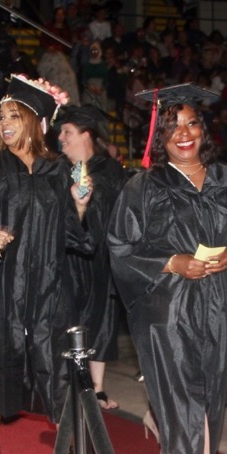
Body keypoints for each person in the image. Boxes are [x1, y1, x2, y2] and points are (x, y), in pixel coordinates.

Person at [108, 83, 227, 454]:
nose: (184, 133)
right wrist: (172, 262)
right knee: (187, 404)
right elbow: (120, 247)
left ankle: (164, 446)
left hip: (217, 308)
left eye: (192, 122)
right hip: (165, 310)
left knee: (202, 399)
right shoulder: (143, 187)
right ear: (160, 136)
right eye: (174, 126)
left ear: (204, 129)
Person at [0, 75, 91, 454]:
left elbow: (72, 233)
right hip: (0, 282)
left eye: (13, 115)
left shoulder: (56, 171)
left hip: (49, 283)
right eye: (1, 116)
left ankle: (68, 451)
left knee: (57, 366)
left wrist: (80, 207)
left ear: (34, 120)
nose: (4, 122)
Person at [56, 105, 125, 410]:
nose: (61, 138)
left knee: (102, 318)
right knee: (72, 319)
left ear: (87, 135)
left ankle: (96, 387)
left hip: (100, 257)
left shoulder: (108, 169)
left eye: (67, 132)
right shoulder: (57, 168)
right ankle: (70, 382)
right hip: (68, 257)